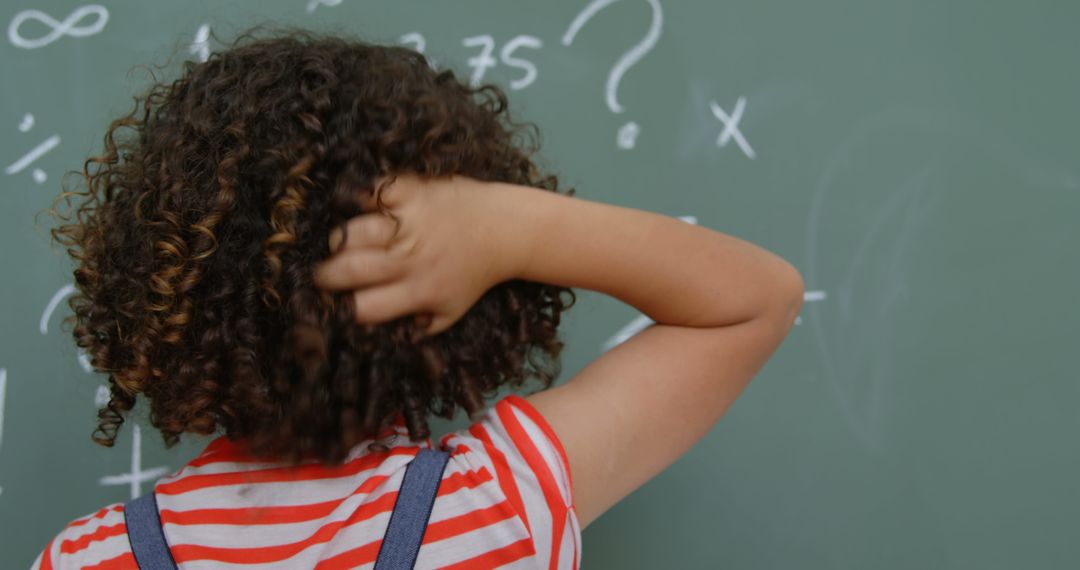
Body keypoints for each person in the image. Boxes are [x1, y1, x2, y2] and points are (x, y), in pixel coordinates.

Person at [34, 24, 804, 569]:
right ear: (452, 315)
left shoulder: (87, 558)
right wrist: (503, 227)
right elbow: (755, 298)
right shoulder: (496, 510)